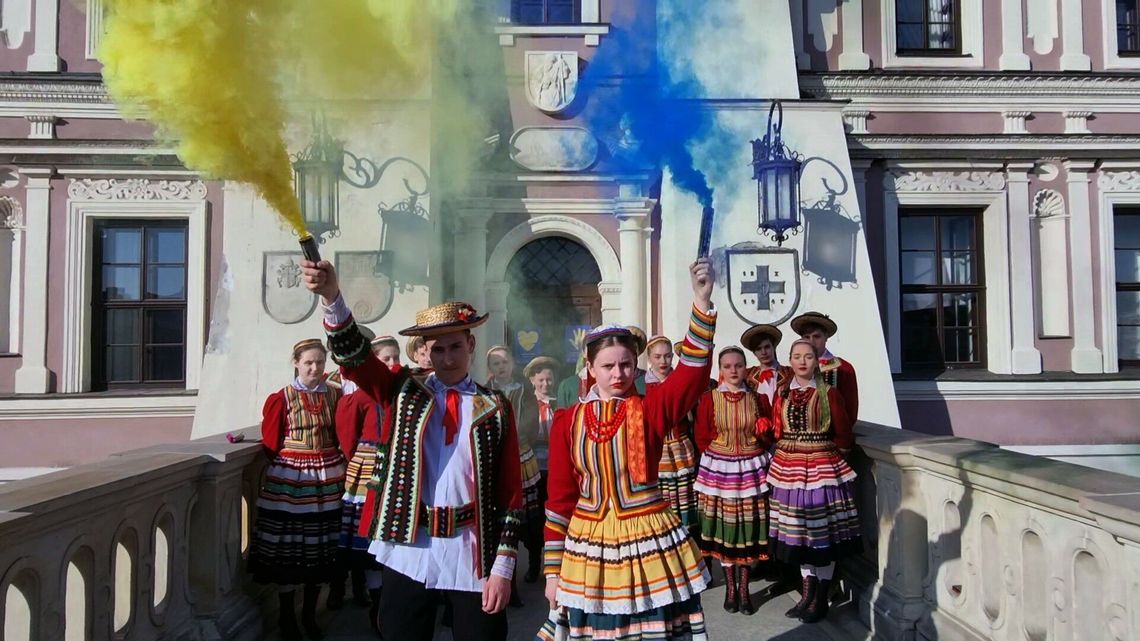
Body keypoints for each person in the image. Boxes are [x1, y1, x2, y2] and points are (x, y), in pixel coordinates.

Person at [303, 259, 522, 641]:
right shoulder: (403, 389)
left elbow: (510, 492)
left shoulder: (495, 406)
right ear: (425, 351)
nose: (448, 358)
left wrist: (503, 568)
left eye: (456, 347)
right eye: (438, 350)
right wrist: (331, 296)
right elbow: (355, 359)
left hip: (472, 545)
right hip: (410, 542)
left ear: (471, 345)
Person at [539, 259, 716, 641]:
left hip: (648, 541)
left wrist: (701, 302)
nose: (618, 374)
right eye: (608, 366)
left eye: (625, 364)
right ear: (590, 367)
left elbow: (691, 375)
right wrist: (553, 572)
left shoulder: (650, 408)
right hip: (590, 548)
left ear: (635, 365)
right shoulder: (568, 421)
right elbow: (560, 500)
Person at [250, 339, 347, 641]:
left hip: (328, 479)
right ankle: (287, 616)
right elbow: (270, 441)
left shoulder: (335, 395)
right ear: (296, 363)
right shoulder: (283, 397)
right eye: (309, 363)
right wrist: (294, 462)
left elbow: (340, 433)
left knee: (321, 546)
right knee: (290, 546)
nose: (315, 368)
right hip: (292, 481)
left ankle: (309, 614)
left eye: (320, 362)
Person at [763, 338, 861, 624]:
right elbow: (777, 429)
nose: (802, 361)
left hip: (821, 470)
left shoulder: (829, 393)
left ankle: (820, 597)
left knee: (821, 535)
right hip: (789, 471)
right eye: (797, 356)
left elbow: (843, 433)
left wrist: (834, 463)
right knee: (799, 535)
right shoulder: (783, 392)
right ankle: (807, 595)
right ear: (790, 361)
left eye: (808, 356)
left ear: (816, 361)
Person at [692, 347, 774, 616]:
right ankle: (730, 588)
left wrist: (763, 433)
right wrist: (718, 456)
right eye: (727, 366)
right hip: (721, 471)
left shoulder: (758, 398)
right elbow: (702, 435)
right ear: (721, 370)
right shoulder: (710, 399)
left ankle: (745, 588)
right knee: (726, 529)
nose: (734, 370)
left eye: (738, 365)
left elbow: (768, 436)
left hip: (750, 471)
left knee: (748, 529)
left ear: (745, 367)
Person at [333, 335, 403, 631]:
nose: (392, 363)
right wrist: (362, 461)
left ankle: (392, 602)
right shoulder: (359, 396)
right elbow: (348, 436)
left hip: (397, 469)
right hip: (368, 472)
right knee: (369, 544)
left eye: (395, 357)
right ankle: (377, 604)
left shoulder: (404, 391)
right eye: (385, 359)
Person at [485, 345, 545, 599]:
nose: (501, 367)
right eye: (496, 363)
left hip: (521, 457)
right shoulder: (484, 392)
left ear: (512, 364)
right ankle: (505, 579)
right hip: (496, 459)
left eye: (505, 362)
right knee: (499, 517)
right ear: (490, 368)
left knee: (529, 517)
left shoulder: (523, 391)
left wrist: (518, 439)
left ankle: (533, 561)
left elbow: (531, 423)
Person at [645, 335, 700, 532]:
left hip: (680, 445)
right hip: (657, 446)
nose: (663, 361)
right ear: (649, 358)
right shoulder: (643, 384)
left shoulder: (679, 381)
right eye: (658, 356)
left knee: (684, 494)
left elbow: (693, 416)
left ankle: (687, 532)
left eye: (667, 356)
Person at [790, 311, 858, 424]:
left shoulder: (843, 368)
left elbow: (850, 410)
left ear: (826, 337)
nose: (811, 341)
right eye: (806, 337)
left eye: (816, 336)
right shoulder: (795, 368)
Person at [741, 324, 789, 405]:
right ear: (754, 353)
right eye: (758, 349)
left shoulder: (790, 373)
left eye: (767, 347)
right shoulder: (747, 376)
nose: (763, 352)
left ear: (773, 347)